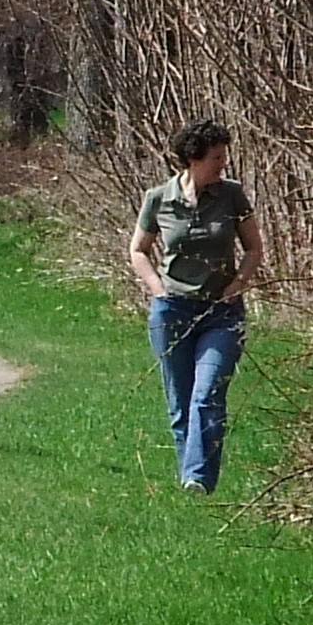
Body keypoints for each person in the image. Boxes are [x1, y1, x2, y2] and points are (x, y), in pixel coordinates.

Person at [129, 117, 269, 492]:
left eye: (225, 157)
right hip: (172, 311)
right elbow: (138, 251)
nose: (223, 165)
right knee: (181, 403)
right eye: (216, 158)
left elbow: (254, 247)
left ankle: (199, 479)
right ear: (192, 159)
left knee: (207, 395)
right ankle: (188, 478)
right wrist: (157, 288)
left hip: (221, 314)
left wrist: (239, 283)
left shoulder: (232, 195)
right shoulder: (159, 199)